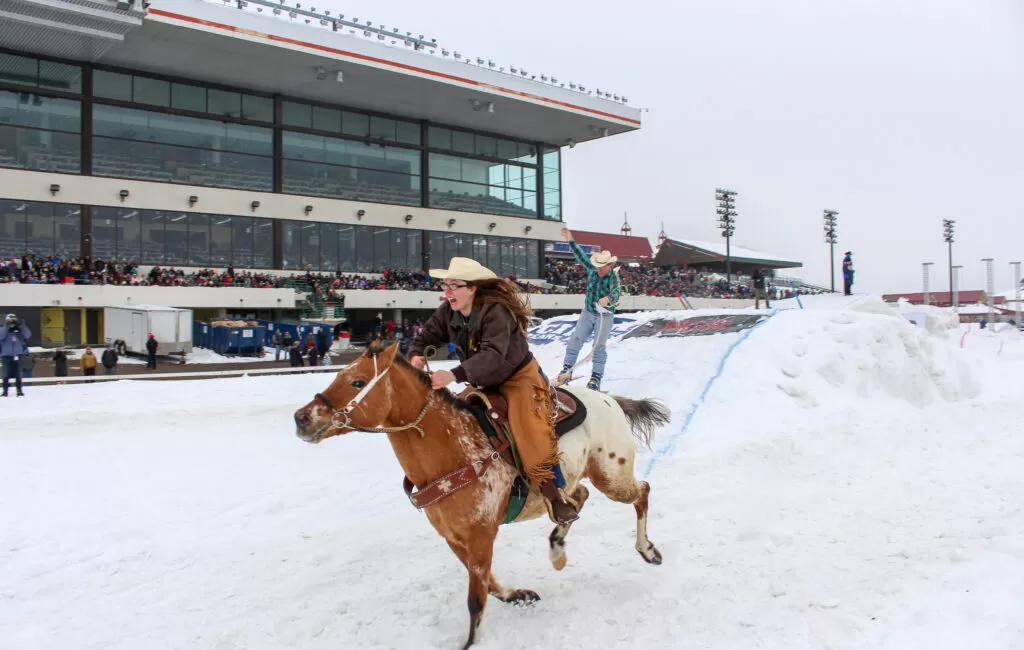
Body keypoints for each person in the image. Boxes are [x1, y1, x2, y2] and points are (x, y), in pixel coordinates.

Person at [409, 257, 580, 525]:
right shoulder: (448, 311)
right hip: (482, 379)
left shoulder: (496, 312)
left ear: (472, 288)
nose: (447, 292)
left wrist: (453, 375)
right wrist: (416, 354)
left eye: (454, 285)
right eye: (446, 285)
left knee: (528, 429)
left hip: (517, 378)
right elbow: (426, 336)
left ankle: (554, 495)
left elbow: (493, 355)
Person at [555, 226, 621, 391]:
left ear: (609, 266)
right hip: (588, 312)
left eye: (602, 267)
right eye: (598, 266)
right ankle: (567, 370)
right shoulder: (592, 270)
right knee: (575, 340)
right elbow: (580, 255)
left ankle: (595, 378)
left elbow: (617, 294)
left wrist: (608, 299)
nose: (599, 269)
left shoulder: (614, 278)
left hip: (604, 315)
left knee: (598, 347)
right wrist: (570, 239)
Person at [1, 313, 32, 397]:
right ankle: (5, 392)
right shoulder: (3, 328)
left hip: (18, 354)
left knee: (18, 374)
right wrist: (7, 326)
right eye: (10, 320)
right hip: (6, 355)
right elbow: (1, 336)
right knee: (5, 374)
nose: (12, 322)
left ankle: (19, 391)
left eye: (13, 320)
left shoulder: (19, 330)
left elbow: (27, 335)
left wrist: (21, 325)